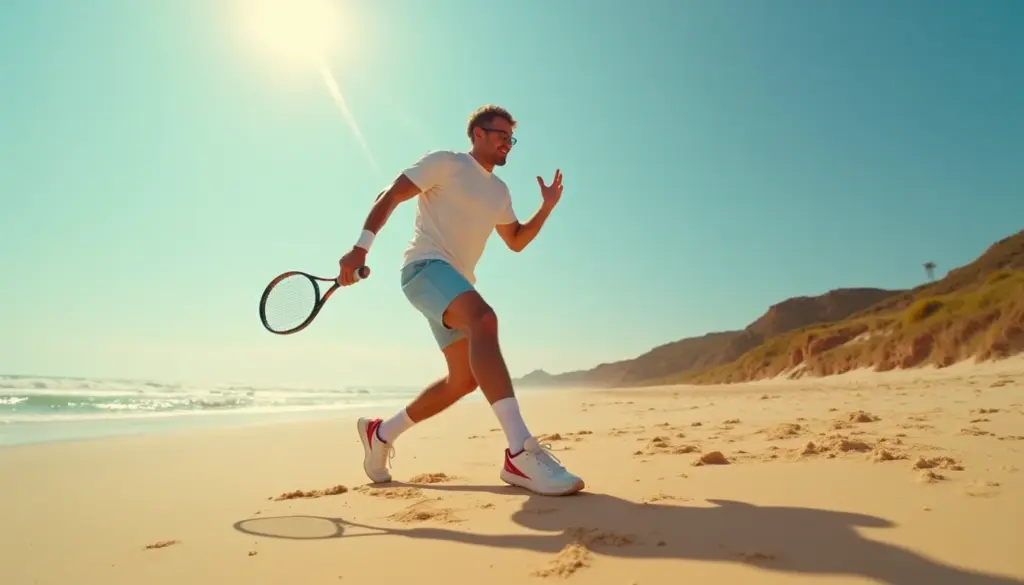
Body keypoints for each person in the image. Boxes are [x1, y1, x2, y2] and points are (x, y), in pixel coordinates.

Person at [336, 105, 584, 496]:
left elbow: (516, 240)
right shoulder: (446, 162)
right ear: (477, 134)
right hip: (424, 269)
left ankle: (380, 433)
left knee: (463, 380)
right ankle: (520, 452)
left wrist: (546, 208)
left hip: (454, 283)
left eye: (511, 138)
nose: (507, 143)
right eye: (501, 135)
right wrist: (360, 247)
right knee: (484, 319)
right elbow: (392, 194)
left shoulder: (500, 191)